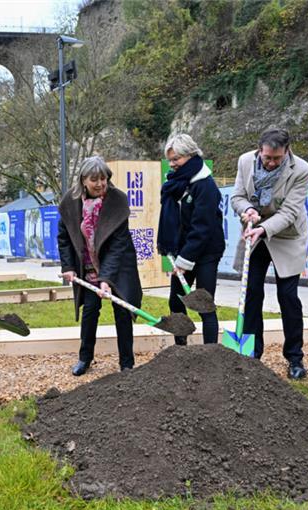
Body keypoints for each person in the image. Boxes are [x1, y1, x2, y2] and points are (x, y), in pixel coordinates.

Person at [231, 128, 308, 380]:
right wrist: (248, 212)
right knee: (252, 293)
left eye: (277, 158)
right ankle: (253, 354)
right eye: (267, 157)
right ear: (259, 150)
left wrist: (265, 228)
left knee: (288, 296)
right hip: (254, 232)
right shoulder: (245, 162)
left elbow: (289, 212)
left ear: (287, 152)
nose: (272, 162)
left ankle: (295, 358)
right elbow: (237, 196)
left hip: (286, 235)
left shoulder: (301, 170)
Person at [58, 155, 142, 376]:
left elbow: (118, 245)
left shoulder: (117, 201)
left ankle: (127, 363)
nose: (100, 184)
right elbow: (64, 237)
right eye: (94, 179)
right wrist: (68, 266)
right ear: (83, 180)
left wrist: (107, 278)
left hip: (118, 267)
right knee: (90, 312)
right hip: (87, 268)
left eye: (103, 178)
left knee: (123, 312)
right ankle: (84, 358)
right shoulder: (70, 202)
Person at [157, 133, 224, 345]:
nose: (172, 164)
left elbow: (201, 228)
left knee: (204, 304)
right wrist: (175, 254)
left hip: (206, 252)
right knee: (176, 300)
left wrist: (184, 261)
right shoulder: (176, 183)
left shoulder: (205, 185)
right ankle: (181, 349)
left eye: (176, 158)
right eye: (170, 159)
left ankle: (211, 352)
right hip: (183, 249)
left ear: (191, 155)